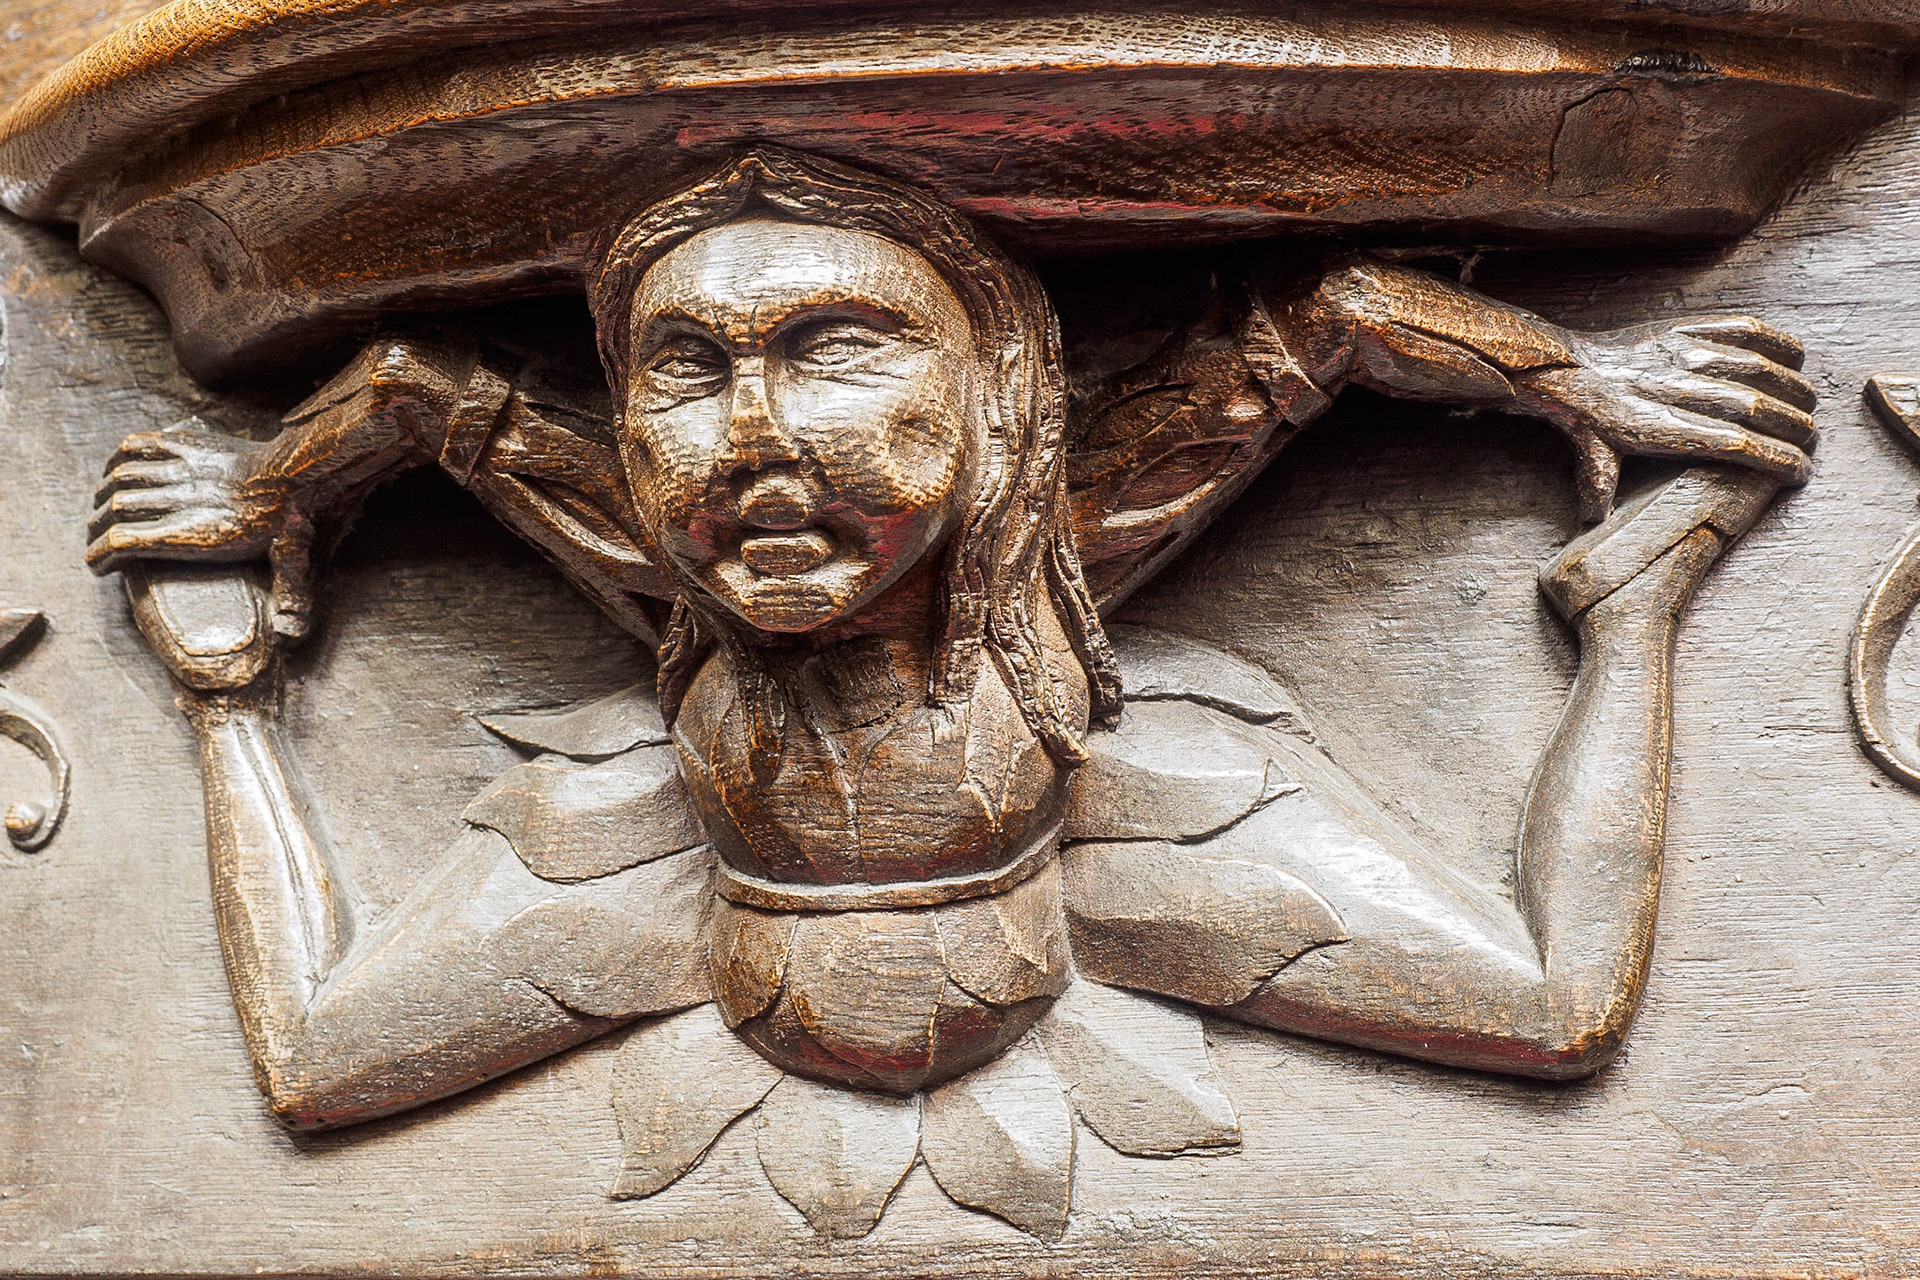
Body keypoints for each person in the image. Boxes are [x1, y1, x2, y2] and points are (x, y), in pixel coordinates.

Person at [87, 148, 1816, 1124]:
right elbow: (421, 389)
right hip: (705, 900)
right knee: (318, 1070)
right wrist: (256, 529)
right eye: (684, 372)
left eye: (838, 347)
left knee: (1557, 1010)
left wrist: (1591, 377)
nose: (750, 437)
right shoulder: (680, 555)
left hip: (1081, 870)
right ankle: (227, 705)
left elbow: (1335, 317)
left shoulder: (1049, 548)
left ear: (1002, 393)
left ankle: (1633, 608)